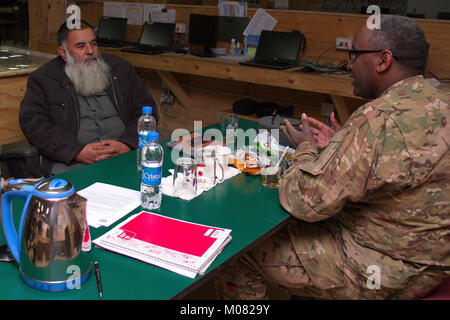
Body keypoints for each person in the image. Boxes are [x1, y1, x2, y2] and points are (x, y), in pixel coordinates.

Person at [215, 14, 449, 299]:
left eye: (354, 54)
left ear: (383, 60)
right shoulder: (439, 100)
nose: (349, 64)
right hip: (432, 262)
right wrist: (343, 144)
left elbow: (303, 201)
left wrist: (306, 149)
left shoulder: (378, 120)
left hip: (384, 270)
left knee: (239, 249)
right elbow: (397, 166)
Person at [19, 20, 157, 177]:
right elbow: (35, 125)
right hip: (72, 162)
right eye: (80, 46)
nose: (90, 51)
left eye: (93, 44)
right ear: (63, 53)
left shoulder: (120, 69)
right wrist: (76, 151)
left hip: (123, 156)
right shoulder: (44, 79)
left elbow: (146, 111)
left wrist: (127, 144)